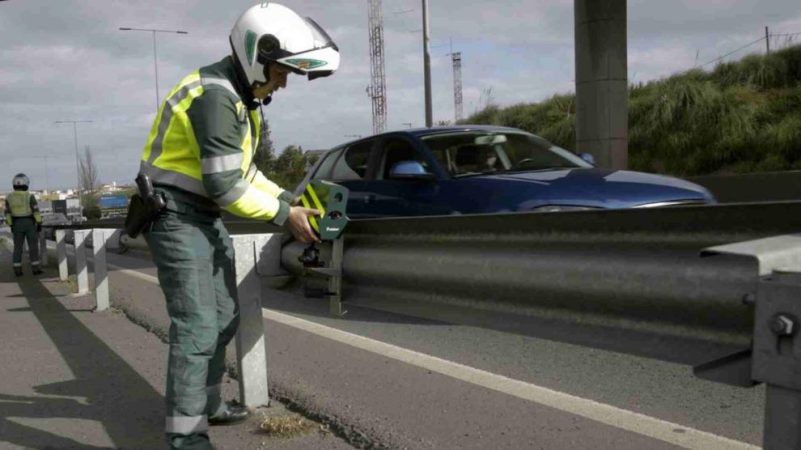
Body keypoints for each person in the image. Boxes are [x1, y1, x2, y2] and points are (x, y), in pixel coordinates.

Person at [137, 3, 339, 449]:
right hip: (173, 216)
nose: (285, 81)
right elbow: (226, 186)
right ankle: (186, 437)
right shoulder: (215, 97)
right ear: (257, 55)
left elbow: (245, 172)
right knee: (197, 327)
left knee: (225, 317)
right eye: (282, 70)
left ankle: (207, 402)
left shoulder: (240, 98)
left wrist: (289, 201)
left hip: (200, 216)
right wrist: (284, 214)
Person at [4, 173, 43, 277]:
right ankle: (35, 269)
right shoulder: (30, 196)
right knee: (33, 247)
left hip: (16, 224)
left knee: (17, 248)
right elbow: (36, 211)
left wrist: (11, 225)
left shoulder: (9, 197)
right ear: (26, 184)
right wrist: (39, 223)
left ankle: (17, 270)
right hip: (29, 223)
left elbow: (7, 213)